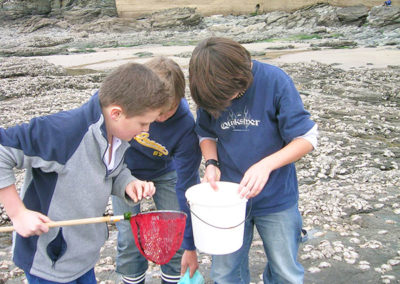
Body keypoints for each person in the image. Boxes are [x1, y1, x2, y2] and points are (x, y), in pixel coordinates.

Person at [0, 62, 170, 283]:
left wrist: (128, 183)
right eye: (143, 123)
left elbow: (112, 172)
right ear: (116, 113)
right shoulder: (64, 132)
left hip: (85, 256)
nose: (146, 130)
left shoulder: (116, 134)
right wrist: (18, 213)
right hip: (49, 261)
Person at [188, 37, 318, 284]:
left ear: (241, 76)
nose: (224, 104)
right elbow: (206, 133)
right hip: (228, 199)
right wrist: (212, 164)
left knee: (285, 271)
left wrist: (266, 165)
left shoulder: (275, 81)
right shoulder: (209, 88)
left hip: (277, 197)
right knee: (225, 273)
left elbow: (307, 138)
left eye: (228, 98)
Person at [112, 57, 202, 284]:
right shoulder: (122, 103)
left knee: (174, 232)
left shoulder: (185, 127)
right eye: (153, 112)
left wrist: (190, 244)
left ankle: (172, 278)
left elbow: (187, 184)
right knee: (129, 235)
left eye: (166, 112)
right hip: (124, 171)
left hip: (165, 173)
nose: (158, 119)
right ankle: (132, 278)